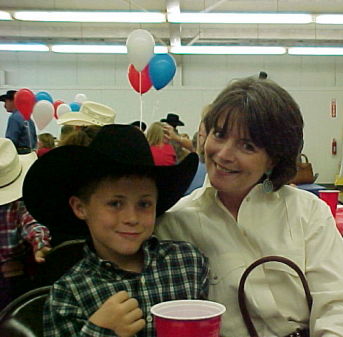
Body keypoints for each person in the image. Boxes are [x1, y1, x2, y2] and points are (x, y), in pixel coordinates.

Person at [156, 77, 343, 337]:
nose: (224, 154)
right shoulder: (175, 222)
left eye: (247, 145)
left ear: (273, 159)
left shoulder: (306, 212)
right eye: (219, 134)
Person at [22, 125, 207, 337]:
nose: (131, 218)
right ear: (80, 208)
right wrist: (99, 331)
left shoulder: (188, 263)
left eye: (144, 204)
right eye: (115, 204)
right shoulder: (68, 294)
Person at [0, 138, 51, 310]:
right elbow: (32, 223)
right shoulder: (19, 204)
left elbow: (32, 224)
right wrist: (40, 244)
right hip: (13, 274)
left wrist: (40, 242)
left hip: (11, 277)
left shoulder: (18, 205)